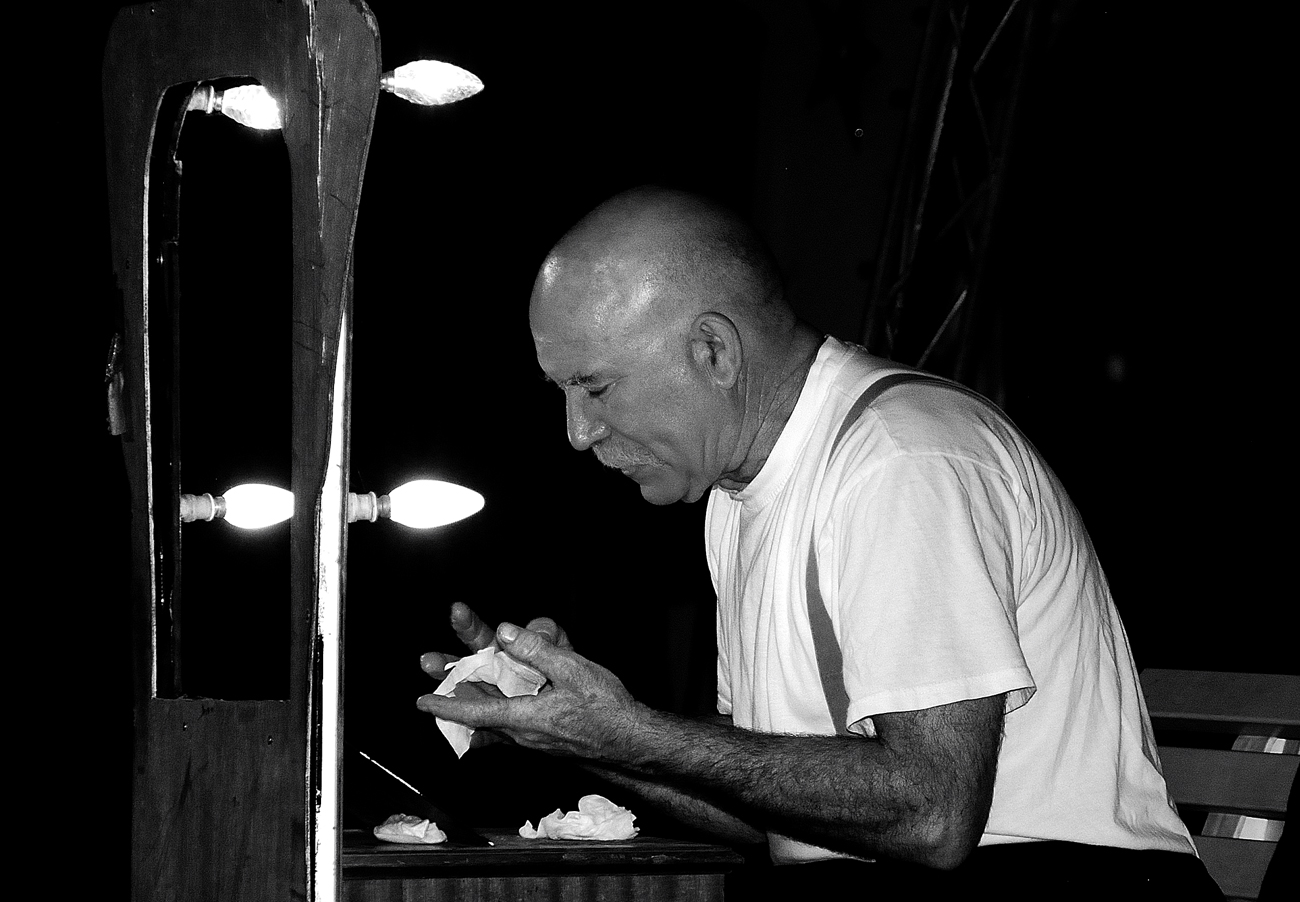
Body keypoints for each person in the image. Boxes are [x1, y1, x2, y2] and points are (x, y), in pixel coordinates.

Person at [416, 186, 1223, 899]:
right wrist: (571, 730)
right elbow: (775, 809)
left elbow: (932, 813)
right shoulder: (735, 499)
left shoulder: (901, 459)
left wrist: (629, 731)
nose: (577, 432)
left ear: (714, 351)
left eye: (593, 386)